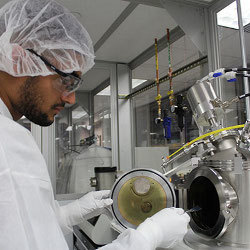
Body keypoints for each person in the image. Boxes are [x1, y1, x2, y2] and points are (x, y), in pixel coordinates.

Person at [0, 0, 190, 249]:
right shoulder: (7, 140)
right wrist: (146, 238)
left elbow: (20, 229)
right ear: (17, 58)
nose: (70, 98)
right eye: (66, 80)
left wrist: (69, 214)